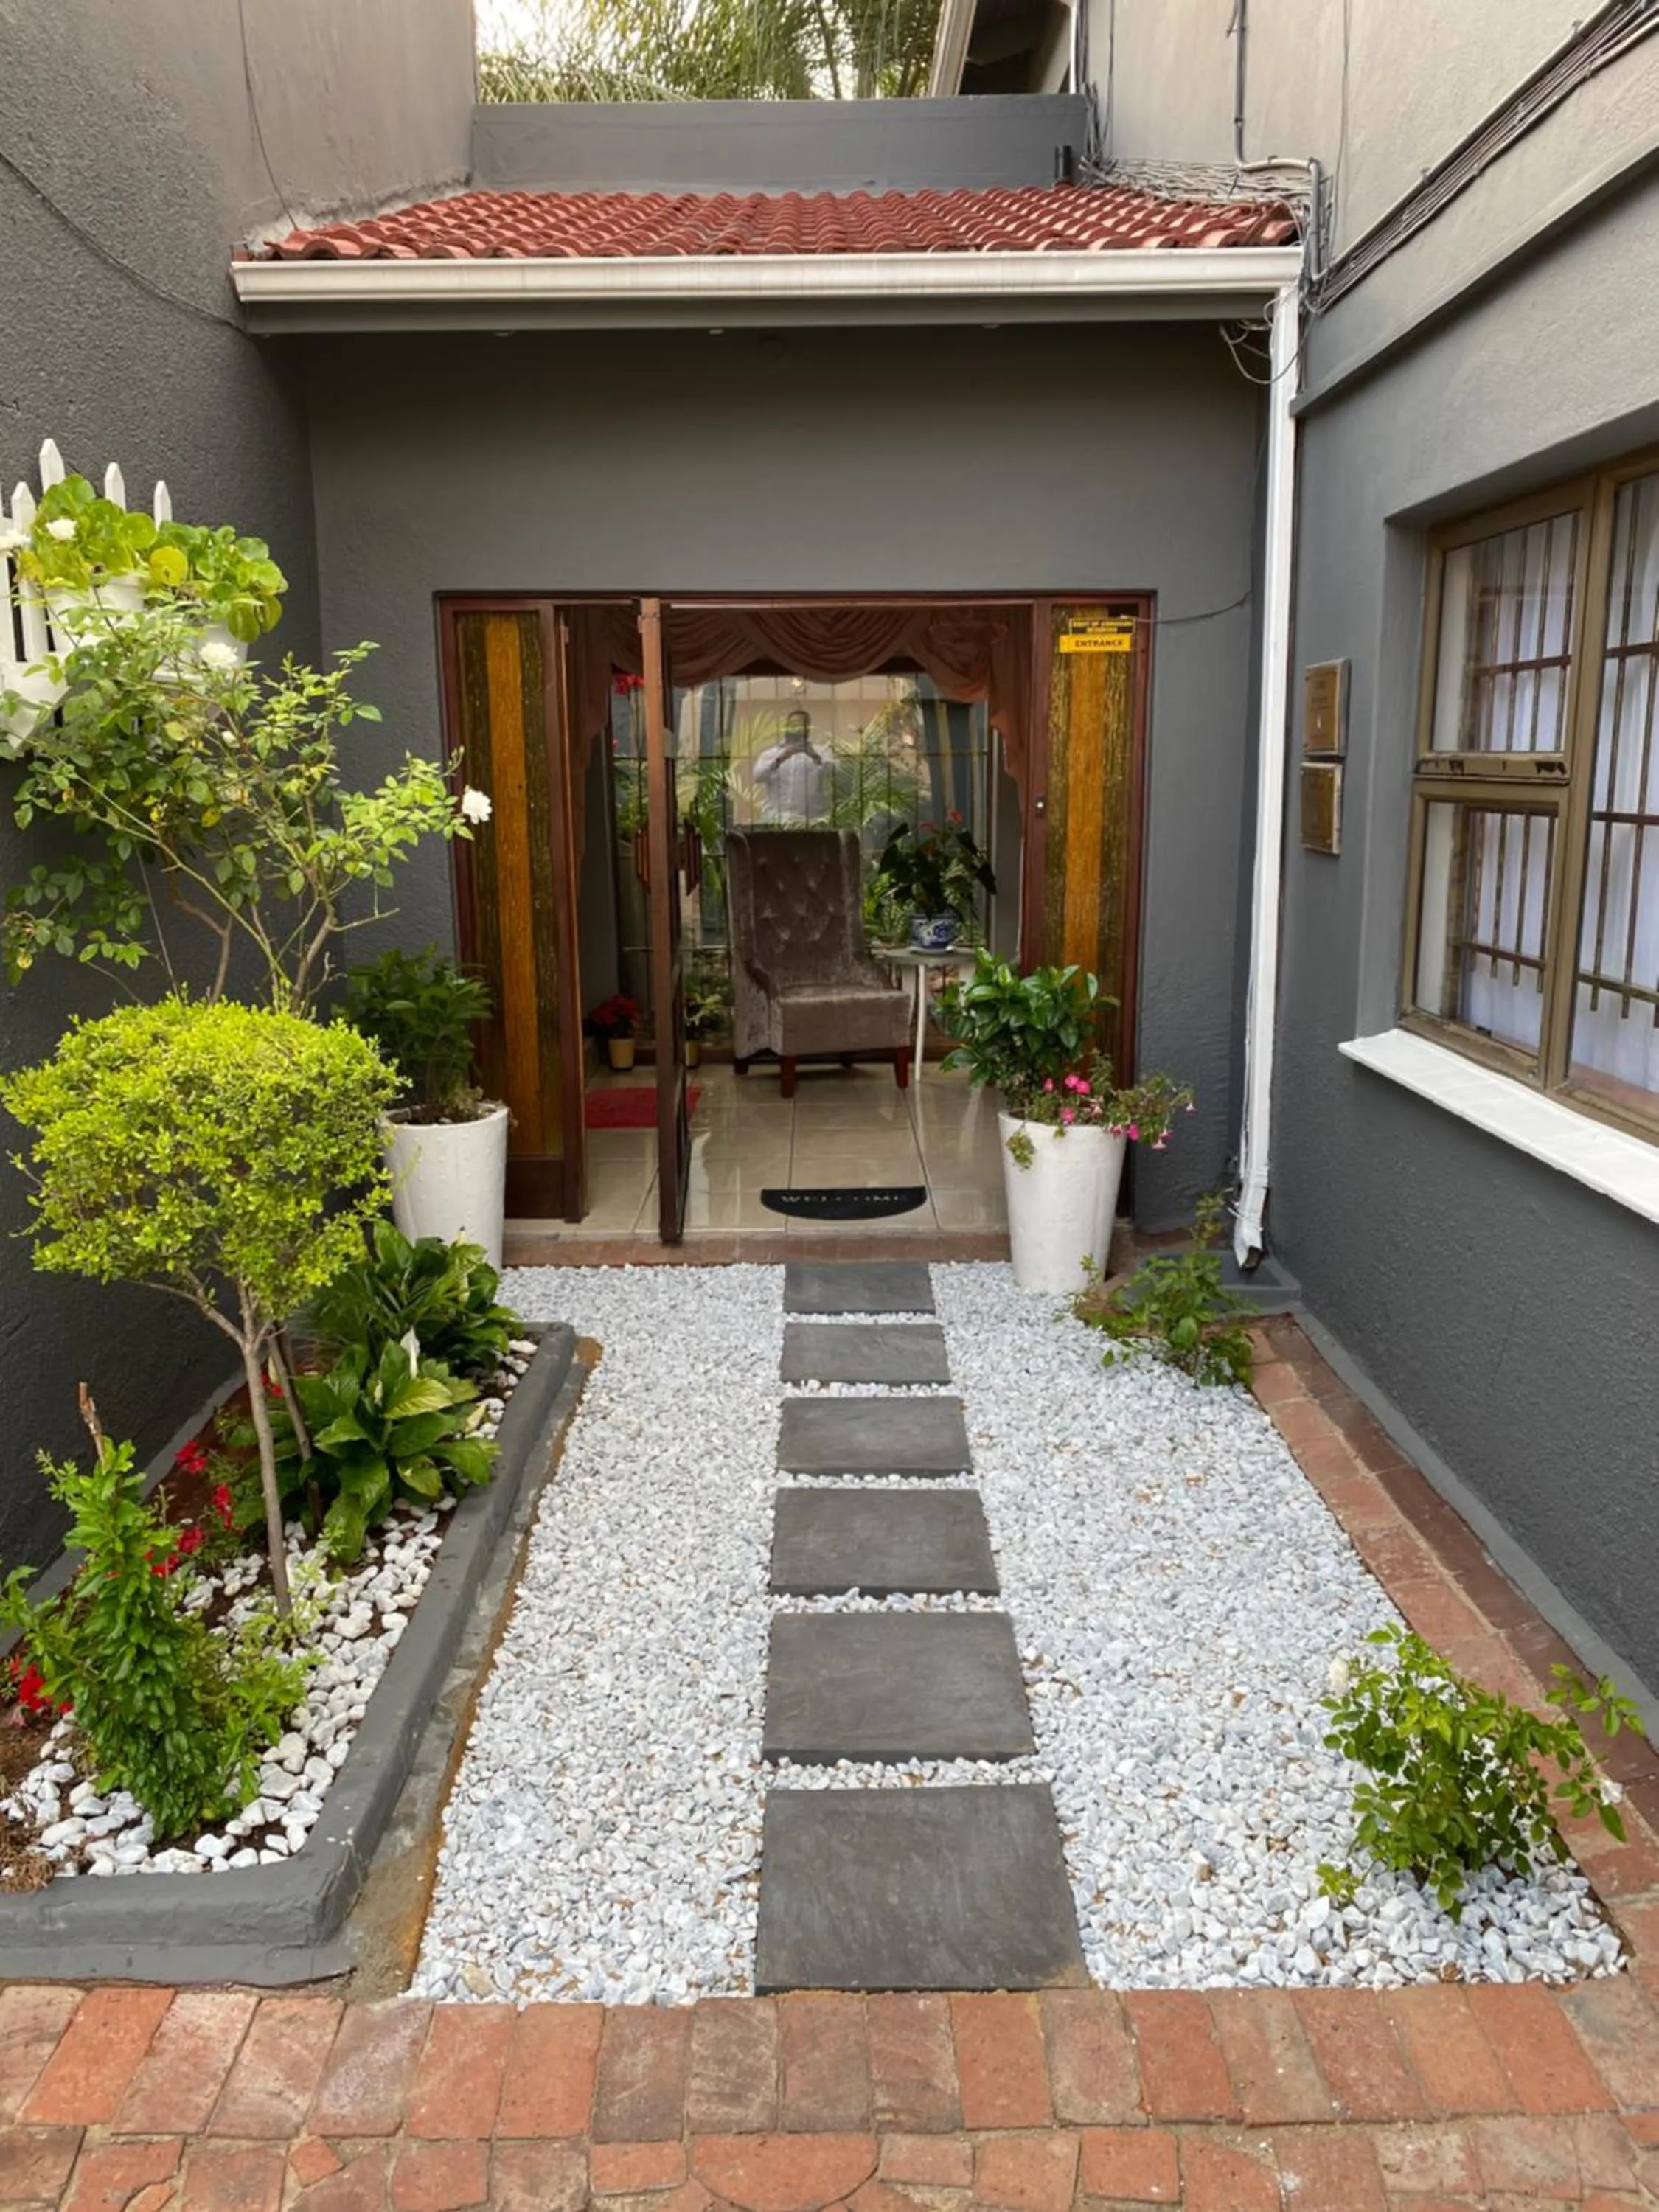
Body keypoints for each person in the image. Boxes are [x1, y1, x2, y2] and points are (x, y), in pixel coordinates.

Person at [752, 708, 829, 822]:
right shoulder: (770, 754)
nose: (796, 728)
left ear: (808, 728)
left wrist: (814, 756)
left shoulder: (822, 752)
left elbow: (834, 773)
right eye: (793, 724)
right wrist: (780, 759)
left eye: (801, 724)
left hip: (811, 821)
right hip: (775, 820)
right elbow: (758, 776)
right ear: (787, 726)